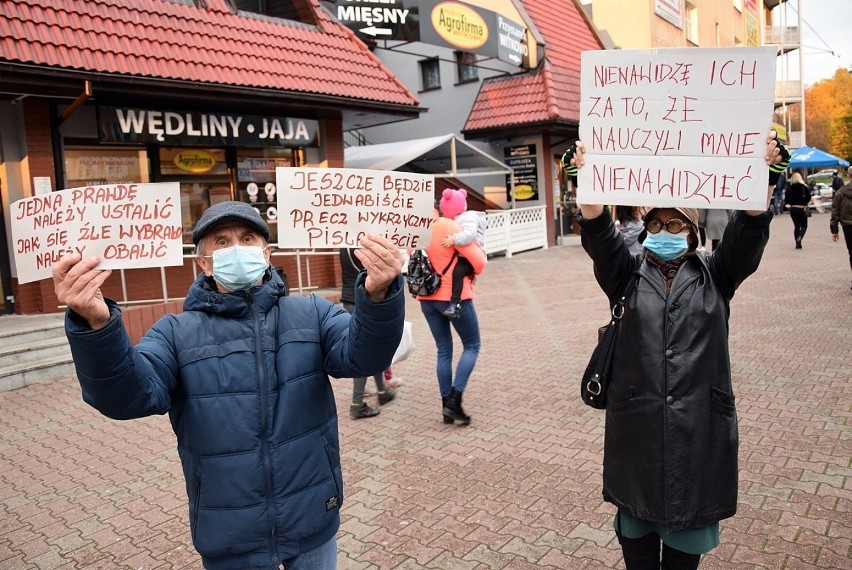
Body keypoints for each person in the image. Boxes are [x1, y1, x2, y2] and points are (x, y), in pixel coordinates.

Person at [52, 201, 405, 570]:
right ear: (203, 263)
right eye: (221, 241)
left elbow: (364, 358)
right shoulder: (175, 333)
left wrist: (379, 296)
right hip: (230, 532)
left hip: (311, 514)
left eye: (247, 238)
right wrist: (97, 325)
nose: (236, 248)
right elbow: (127, 397)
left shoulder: (313, 313)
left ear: (266, 254)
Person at [568, 133, 788, 570]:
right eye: (655, 224)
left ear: (692, 231)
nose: (662, 233)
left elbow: (747, 234)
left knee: (685, 553)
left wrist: (763, 177)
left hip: (697, 433)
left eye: (674, 225)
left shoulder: (717, 274)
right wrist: (586, 179)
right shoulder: (626, 275)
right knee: (638, 549)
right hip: (638, 436)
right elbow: (599, 234)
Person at [418, 204, 487, 425]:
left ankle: (445, 404)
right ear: (435, 209)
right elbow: (479, 260)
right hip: (454, 297)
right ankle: (455, 401)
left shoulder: (414, 230)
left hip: (427, 298)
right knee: (472, 345)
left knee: (443, 350)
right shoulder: (446, 225)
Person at [339, 247, 397, 418]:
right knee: (364, 352)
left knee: (374, 347)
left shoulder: (343, 243)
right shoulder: (362, 246)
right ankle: (357, 404)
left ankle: (382, 391)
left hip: (350, 298)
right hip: (361, 300)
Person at [438, 188, 486, 319]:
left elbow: (470, 235)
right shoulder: (458, 219)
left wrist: (454, 239)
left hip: (470, 257)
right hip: (464, 256)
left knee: (458, 272)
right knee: (458, 271)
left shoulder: (467, 218)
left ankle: (455, 305)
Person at [830, 165, 852, 290]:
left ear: (848, 175)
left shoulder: (841, 192)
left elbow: (835, 211)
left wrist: (834, 229)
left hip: (848, 225)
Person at [785, 171, 812, 249]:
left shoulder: (789, 188)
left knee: (796, 226)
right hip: (801, 209)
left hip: (793, 210)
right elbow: (809, 197)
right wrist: (804, 202)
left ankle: (797, 243)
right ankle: (799, 238)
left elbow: (786, 200)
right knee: (804, 226)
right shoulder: (803, 187)